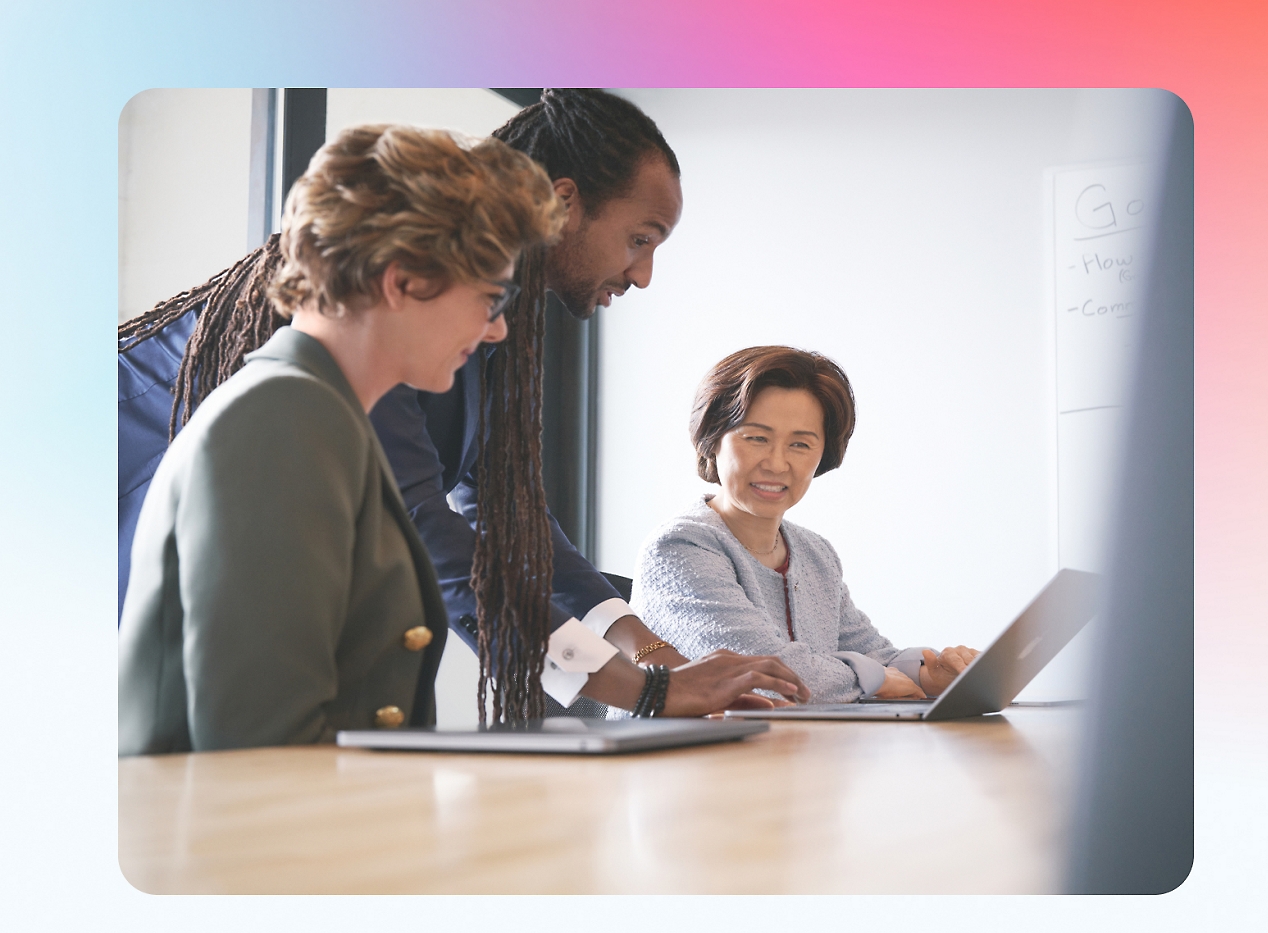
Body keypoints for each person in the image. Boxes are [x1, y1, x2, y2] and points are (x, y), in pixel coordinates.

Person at [118, 89, 809, 724]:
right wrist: (645, 689)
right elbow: (432, 540)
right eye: (640, 238)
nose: (642, 274)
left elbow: (508, 517)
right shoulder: (306, 391)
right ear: (402, 282)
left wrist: (641, 645)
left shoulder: (454, 334)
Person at [120, 125, 561, 753]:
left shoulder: (312, 412)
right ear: (402, 279)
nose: (496, 332)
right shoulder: (283, 423)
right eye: (491, 299)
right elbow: (262, 754)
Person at [632, 346, 980, 704]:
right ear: (712, 439)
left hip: (786, 751)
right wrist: (874, 678)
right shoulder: (679, 547)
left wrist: (933, 675)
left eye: (800, 444)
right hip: (685, 756)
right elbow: (764, 675)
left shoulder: (814, 553)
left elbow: (871, 655)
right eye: (756, 438)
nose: (777, 463)